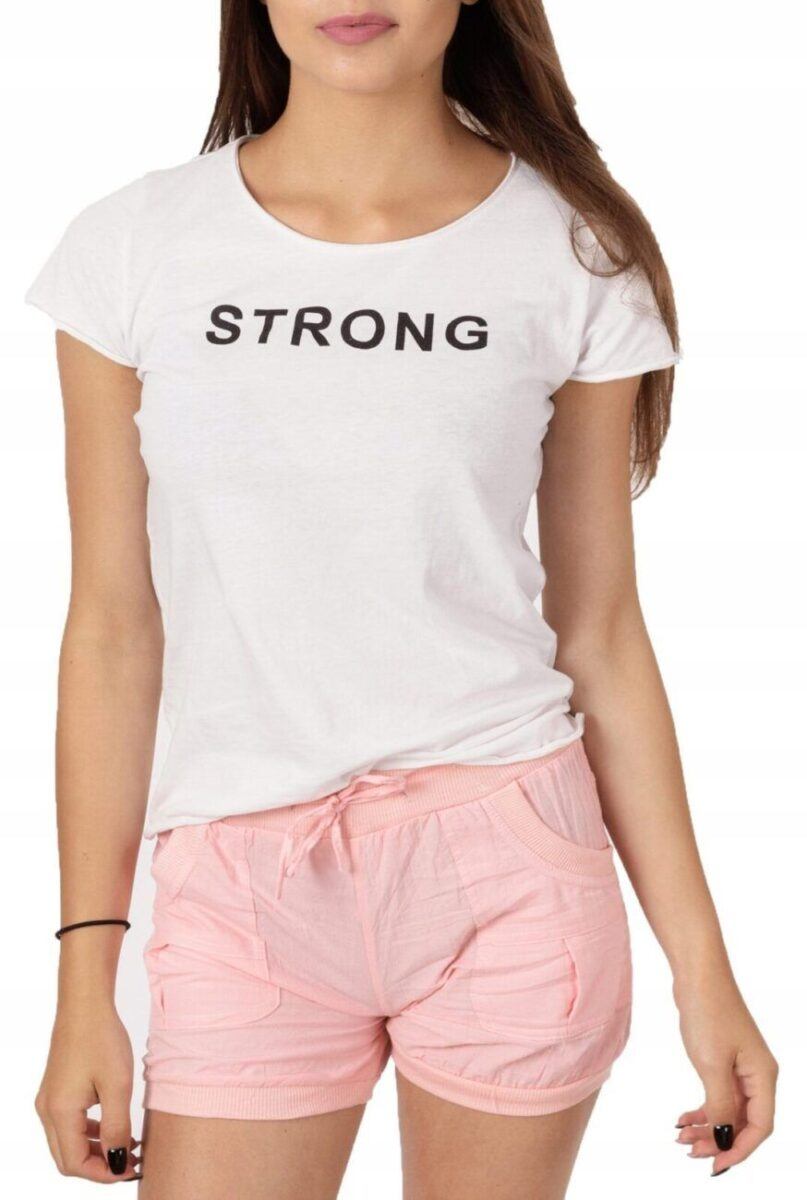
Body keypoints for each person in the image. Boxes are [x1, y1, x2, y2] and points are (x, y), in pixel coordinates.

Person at [25, 2, 778, 1197]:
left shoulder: (573, 251)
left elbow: (601, 632)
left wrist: (706, 972)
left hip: (510, 861)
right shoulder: (134, 246)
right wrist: (84, 983)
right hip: (241, 881)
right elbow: (114, 631)